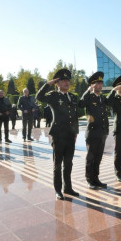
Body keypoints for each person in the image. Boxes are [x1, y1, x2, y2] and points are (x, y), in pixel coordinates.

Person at [36, 68, 79, 200]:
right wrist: (48, 84)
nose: (66, 83)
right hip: (59, 135)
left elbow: (74, 116)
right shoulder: (54, 96)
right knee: (58, 164)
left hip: (71, 135)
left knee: (69, 163)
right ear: (57, 84)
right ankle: (58, 190)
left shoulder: (72, 97)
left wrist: (75, 132)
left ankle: (68, 187)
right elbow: (39, 97)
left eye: (67, 80)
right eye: (63, 81)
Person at [78, 71, 108, 189]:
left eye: (101, 83)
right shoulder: (89, 97)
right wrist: (87, 91)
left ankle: (96, 178)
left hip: (102, 132)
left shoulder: (101, 98)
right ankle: (89, 179)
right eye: (98, 83)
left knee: (98, 157)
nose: (100, 85)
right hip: (92, 132)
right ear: (92, 85)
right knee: (91, 157)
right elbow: (80, 104)